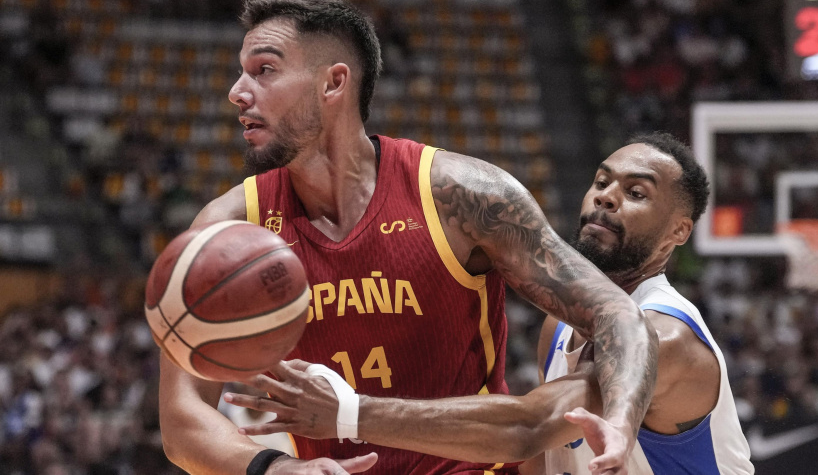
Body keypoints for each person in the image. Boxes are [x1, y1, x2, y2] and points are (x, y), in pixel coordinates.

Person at [158, 0, 659, 475]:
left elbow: (617, 314)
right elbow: (182, 419)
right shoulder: (230, 227)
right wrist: (276, 467)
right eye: (242, 72)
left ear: (333, 83)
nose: (237, 91)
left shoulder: (460, 196)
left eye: (264, 70)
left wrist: (620, 422)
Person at [224, 133, 755, 475]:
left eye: (636, 193)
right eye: (601, 181)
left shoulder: (665, 338)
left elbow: (529, 427)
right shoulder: (559, 327)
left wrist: (347, 414)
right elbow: (541, 462)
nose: (606, 196)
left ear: (678, 231)